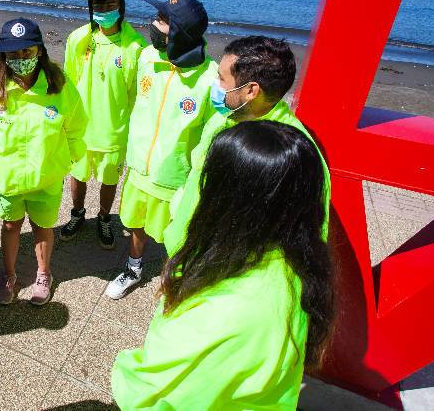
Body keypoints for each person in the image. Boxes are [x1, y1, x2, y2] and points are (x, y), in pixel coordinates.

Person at [111, 121, 334, 410]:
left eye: (209, 180)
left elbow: (148, 395)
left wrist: (123, 367)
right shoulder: (294, 266)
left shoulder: (227, 314)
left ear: (232, 201)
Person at [163, 36, 331, 257]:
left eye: (222, 79)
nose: (215, 85)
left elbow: (298, 239)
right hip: (185, 248)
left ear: (251, 91)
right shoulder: (227, 115)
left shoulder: (290, 153)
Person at [105, 0, 218, 300]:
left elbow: (216, 132)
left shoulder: (209, 78)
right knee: (136, 224)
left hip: (175, 176)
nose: (153, 25)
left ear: (180, 33)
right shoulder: (147, 57)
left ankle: (175, 279)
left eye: (162, 21)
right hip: (139, 165)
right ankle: (133, 268)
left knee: (176, 235)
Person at [0, 18, 87, 305]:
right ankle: (9, 275)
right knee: (10, 226)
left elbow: (76, 126)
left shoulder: (58, 85)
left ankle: (43, 274)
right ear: (2, 55)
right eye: (13, 53)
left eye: (27, 52)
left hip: (46, 177)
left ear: (40, 51)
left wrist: (68, 159)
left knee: (42, 227)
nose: (20, 59)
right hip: (6, 178)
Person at [60, 0, 147, 248]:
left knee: (110, 179)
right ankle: (77, 213)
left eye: (110, 3)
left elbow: (138, 95)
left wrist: (135, 132)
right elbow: (68, 82)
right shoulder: (79, 39)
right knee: (78, 176)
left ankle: (105, 217)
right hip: (81, 129)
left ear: (121, 6)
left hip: (114, 131)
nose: (103, 9)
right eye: (98, 3)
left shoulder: (135, 46)